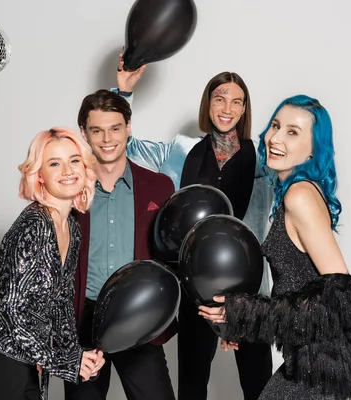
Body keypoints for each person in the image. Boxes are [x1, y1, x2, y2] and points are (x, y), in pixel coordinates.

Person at [113, 55, 273, 400]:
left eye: (236, 101)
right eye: (219, 98)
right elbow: (124, 146)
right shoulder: (181, 151)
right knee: (192, 382)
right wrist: (124, 92)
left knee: (259, 383)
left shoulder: (264, 158)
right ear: (208, 104)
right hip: (195, 284)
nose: (227, 108)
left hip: (249, 288)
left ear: (244, 109)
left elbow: (297, 169)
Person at [199, 95, 351, 399]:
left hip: (319, 374)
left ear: (313, 150)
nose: (275, 138)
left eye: (293, 132)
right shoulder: (292, 191)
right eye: (276, 126)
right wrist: (243, 322)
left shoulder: (299, 196)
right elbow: (298, 289)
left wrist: (243, 311)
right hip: (306, 364)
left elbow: (341, 297)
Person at [0, 128, 105, 400]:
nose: (68, 170)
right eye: (54, 163)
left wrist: (76, 355)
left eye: (74, 160)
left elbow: (60, 303)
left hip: (26, 365)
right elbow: (10, 308)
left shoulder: (71, 226)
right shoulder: (33, 226)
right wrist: (64, 361)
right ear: (39, 176)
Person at [64, 89, 177, 400]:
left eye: (115, 128)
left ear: (129, 128)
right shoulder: (69, 192)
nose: (106, 138)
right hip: (82, 322)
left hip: (139, 318)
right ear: (84, 133)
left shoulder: (159, 186)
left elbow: (175, 256)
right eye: (97, 130)